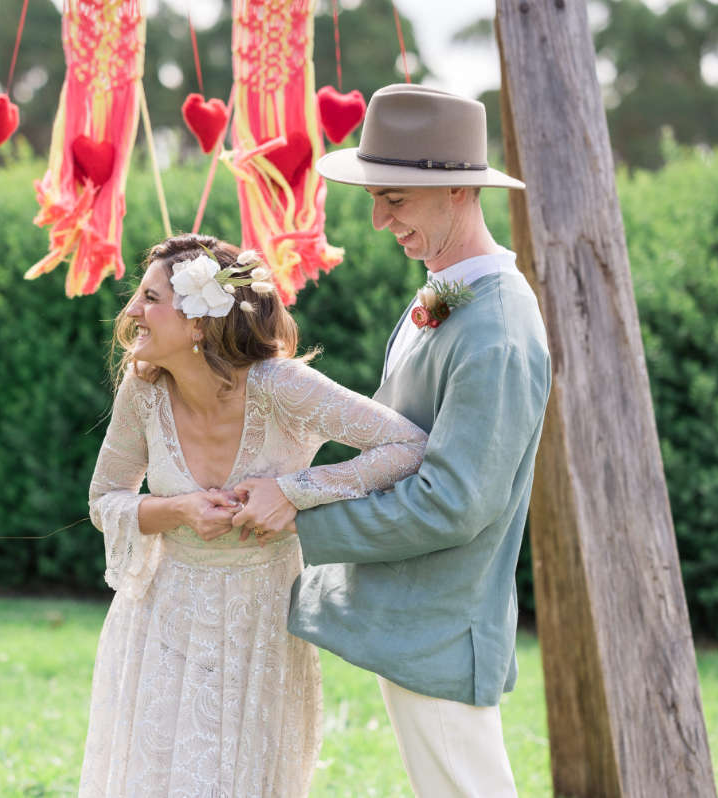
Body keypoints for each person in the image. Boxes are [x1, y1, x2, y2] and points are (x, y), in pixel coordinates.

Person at [232, 85, 552, 796]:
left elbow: (451, 505)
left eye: (396, 200)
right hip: (415, 619)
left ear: (460, 193)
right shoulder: (445, 292)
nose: (378, 220)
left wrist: (298, 524)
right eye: (377, 198)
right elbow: (393, 437)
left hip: (441, 626)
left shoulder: (496, 329)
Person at [79, 233, 428, 797]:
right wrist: (178, 509)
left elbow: (406, 446)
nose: (132, 312)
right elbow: (104, 500)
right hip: (158, 619)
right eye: (137, 297)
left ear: (198, 324)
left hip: (259, 623)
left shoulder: (280, 386)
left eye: (150, 298)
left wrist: (293, 491)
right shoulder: (141, 390)